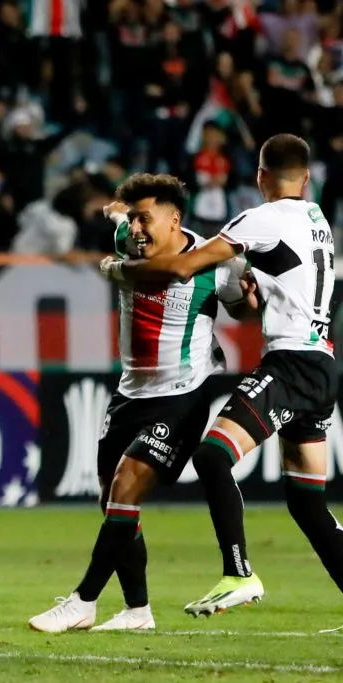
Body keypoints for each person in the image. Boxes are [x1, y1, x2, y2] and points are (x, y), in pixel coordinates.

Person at [100, 134, 343, 617]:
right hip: (323, 362)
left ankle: (238, 574)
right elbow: (272, 287)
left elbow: (184, 266)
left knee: (213, 456)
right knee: (308, 504)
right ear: (308, 177)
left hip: (292, 364)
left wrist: (116, 270)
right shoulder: (318, 221)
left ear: (259, 177)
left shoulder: (262, 218)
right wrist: (256, 294)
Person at [27, 173, 258, 633]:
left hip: (183, 396)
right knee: (113, 502)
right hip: (129, 393)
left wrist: (250, 300)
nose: (135, 228)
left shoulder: (214, 260)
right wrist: (118, 209)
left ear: (175, 220)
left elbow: (239, 306)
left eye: (145, 219)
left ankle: (83, 600)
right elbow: (115, 213)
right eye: (133, 219)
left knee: (127, 486)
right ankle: (137, 611)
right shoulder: (127, 236)